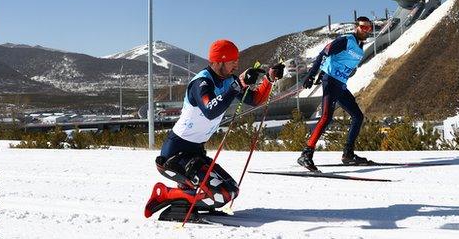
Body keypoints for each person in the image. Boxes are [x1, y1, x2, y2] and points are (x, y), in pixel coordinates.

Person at [145, 39, 284, 218]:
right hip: (174, 154)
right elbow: (210, 109)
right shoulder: (201, 83)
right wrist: (238, 85)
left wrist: (269, 78)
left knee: (231, 190)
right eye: (232, 60)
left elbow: (255, 100)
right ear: (219, 61)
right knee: (220, 195)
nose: (236, 64)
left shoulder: (229, 80)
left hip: (196, 153)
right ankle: (166, 193)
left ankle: (189, 190)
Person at [298, 16, 373, 172]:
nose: (366, 30)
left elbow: (343, 63)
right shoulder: (346, 40)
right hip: (331, 81)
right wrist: (312, 75)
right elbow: (323, 53)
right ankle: (306, 154)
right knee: (326, 117)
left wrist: (350, 71)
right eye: (363, 27)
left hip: (340, 85)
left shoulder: (359, 47)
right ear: (356, 27)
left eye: (369, 28)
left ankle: (348, 154)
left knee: (358, 117)